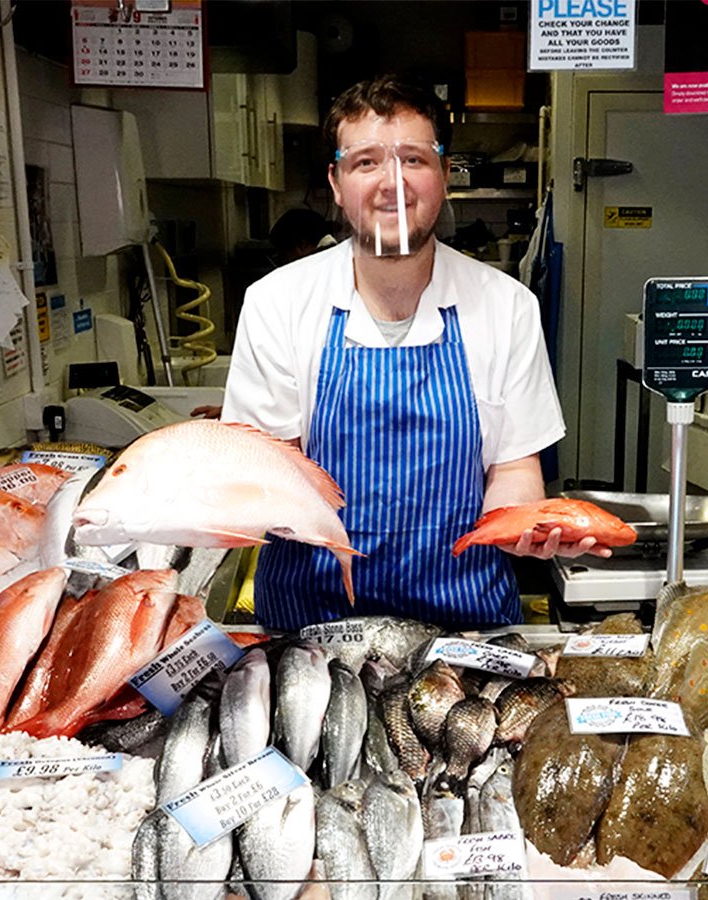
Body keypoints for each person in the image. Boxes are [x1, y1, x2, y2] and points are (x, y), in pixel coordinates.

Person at [222, 74, 608, 631]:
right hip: (311, 631)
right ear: (335, 181)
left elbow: (515, 466)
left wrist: (522, 529)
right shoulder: (276, 303)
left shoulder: (507, 307)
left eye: (414, 159)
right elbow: (272, 472)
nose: (392, 183)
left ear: (445, 175)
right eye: (366, 163)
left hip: (465, 626)